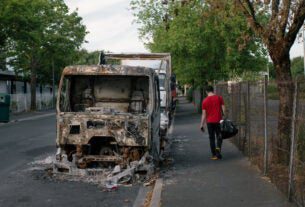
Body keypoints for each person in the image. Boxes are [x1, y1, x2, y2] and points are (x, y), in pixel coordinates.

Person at [200, 85, 225, 160]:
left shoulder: (204, 101)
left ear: (206, 92)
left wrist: (202, 124)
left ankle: (214, 155)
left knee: (211, 138)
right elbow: (224, 109)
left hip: (209, 122)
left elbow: (204, 114)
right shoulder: (219, 98)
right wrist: (224, 116)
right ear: (213, 90)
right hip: (218, 120)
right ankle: (218, 149)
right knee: (219, 136)